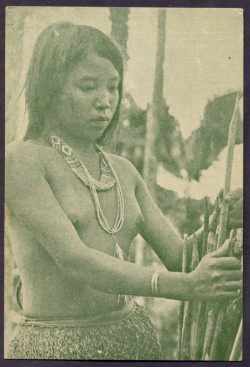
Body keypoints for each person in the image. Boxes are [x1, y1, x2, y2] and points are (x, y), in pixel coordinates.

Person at [5, 21, 242, 360]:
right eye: (88, 86)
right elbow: (76, 260)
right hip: (55, 347)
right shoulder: (23, 159)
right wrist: (185, 287)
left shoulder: (123, 171)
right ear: (52, 88)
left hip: (134, 340)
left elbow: (181, 257)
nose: (105, 102)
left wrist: (224, 221)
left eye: (113, 87)